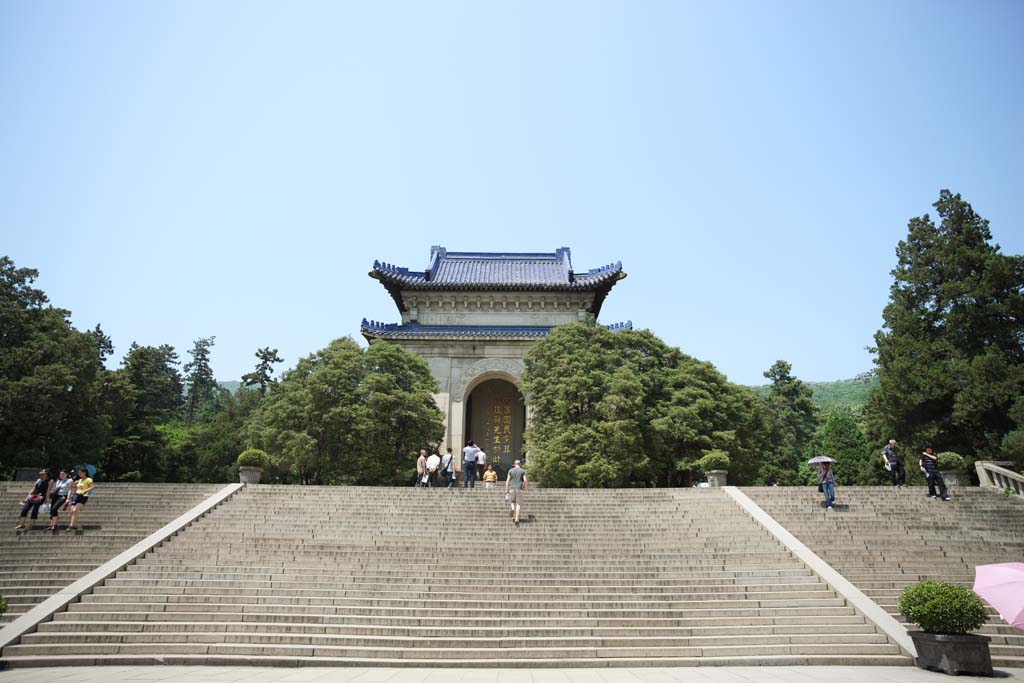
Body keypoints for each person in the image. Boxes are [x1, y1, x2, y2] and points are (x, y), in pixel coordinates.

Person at [66, 467, 93, 531]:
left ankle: (71, 525)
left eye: (80, 473)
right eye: (78, 473)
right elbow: (77, 488)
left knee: (75, 510)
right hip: (76, 495)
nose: (79, 474)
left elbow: (92, 487)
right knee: (72, 511)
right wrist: (75, 484)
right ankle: (74, 525)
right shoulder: (79, 480)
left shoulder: (88, 479)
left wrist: (84, 491)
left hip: (83, 496)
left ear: (84, 473)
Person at [505, 459, 528, 525]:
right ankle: (516, 518)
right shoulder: (522, 471)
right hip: (519, 489)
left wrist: (506, 490)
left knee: (512, 501)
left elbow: (507, 481)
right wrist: (526, 488)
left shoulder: (510, 470)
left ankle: (512, 508)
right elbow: (525, 480)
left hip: (512, 488)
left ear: (514, 464)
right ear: (520, 464)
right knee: (518, 504)